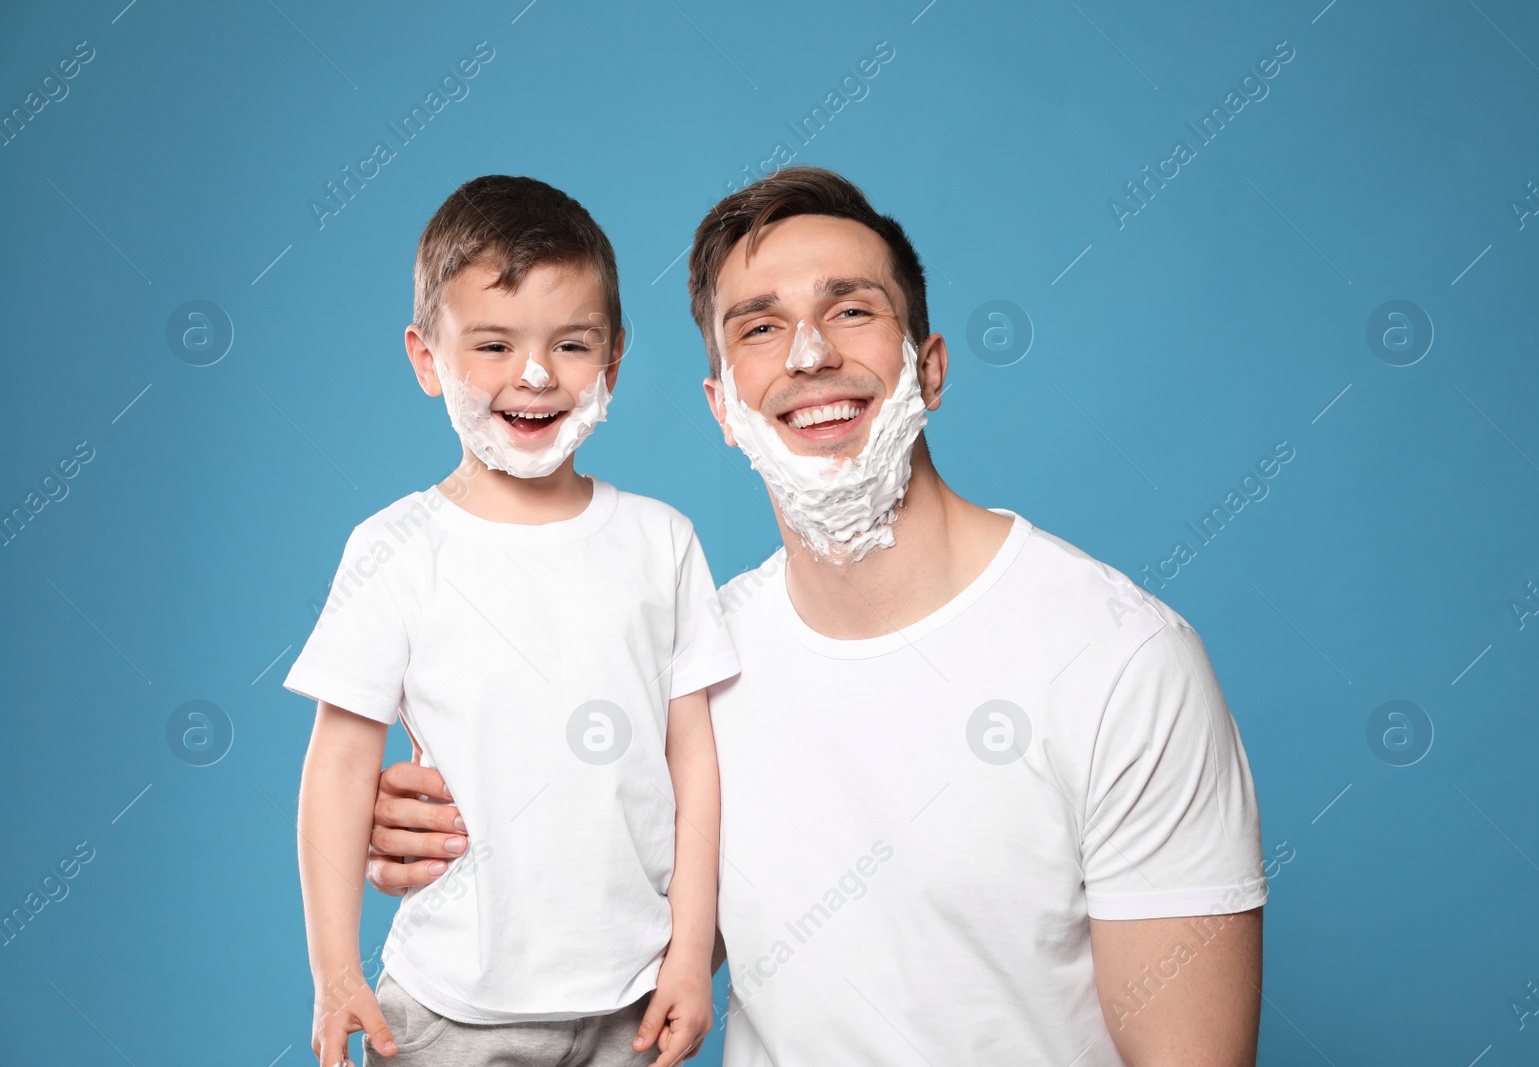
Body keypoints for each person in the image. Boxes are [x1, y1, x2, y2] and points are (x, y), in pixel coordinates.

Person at [365, 168, 1268, 1066]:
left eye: (851, 310)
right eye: (759, 327)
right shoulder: (689, 664)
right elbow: (596, 907)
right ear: (723, 407)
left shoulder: (1123, 660)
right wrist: (434, 826)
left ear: (931, 368)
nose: (808, 355)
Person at [284, 175, 739, 1067]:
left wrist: (691, 954)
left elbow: (696, 757)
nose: (535, 375)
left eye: (571, 345)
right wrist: (335, 966)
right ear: (426, 358)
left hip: (633, 995)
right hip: (451, 1002)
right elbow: (340, 759)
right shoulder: (396, 548)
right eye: (493, 344)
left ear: (611, 366)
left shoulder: (662, 541)